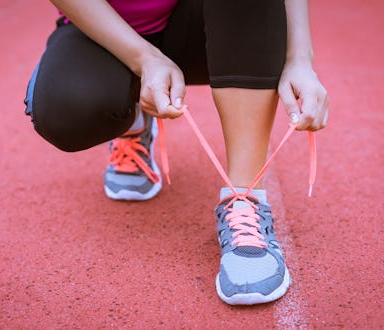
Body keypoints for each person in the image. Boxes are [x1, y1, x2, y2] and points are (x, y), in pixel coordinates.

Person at [24, 0, 329, 305]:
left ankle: (245, 197)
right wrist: (145, 59)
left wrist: (299, 58)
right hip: (105, 28)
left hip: (205, 22)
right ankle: (134, 119)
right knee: (67, 110)